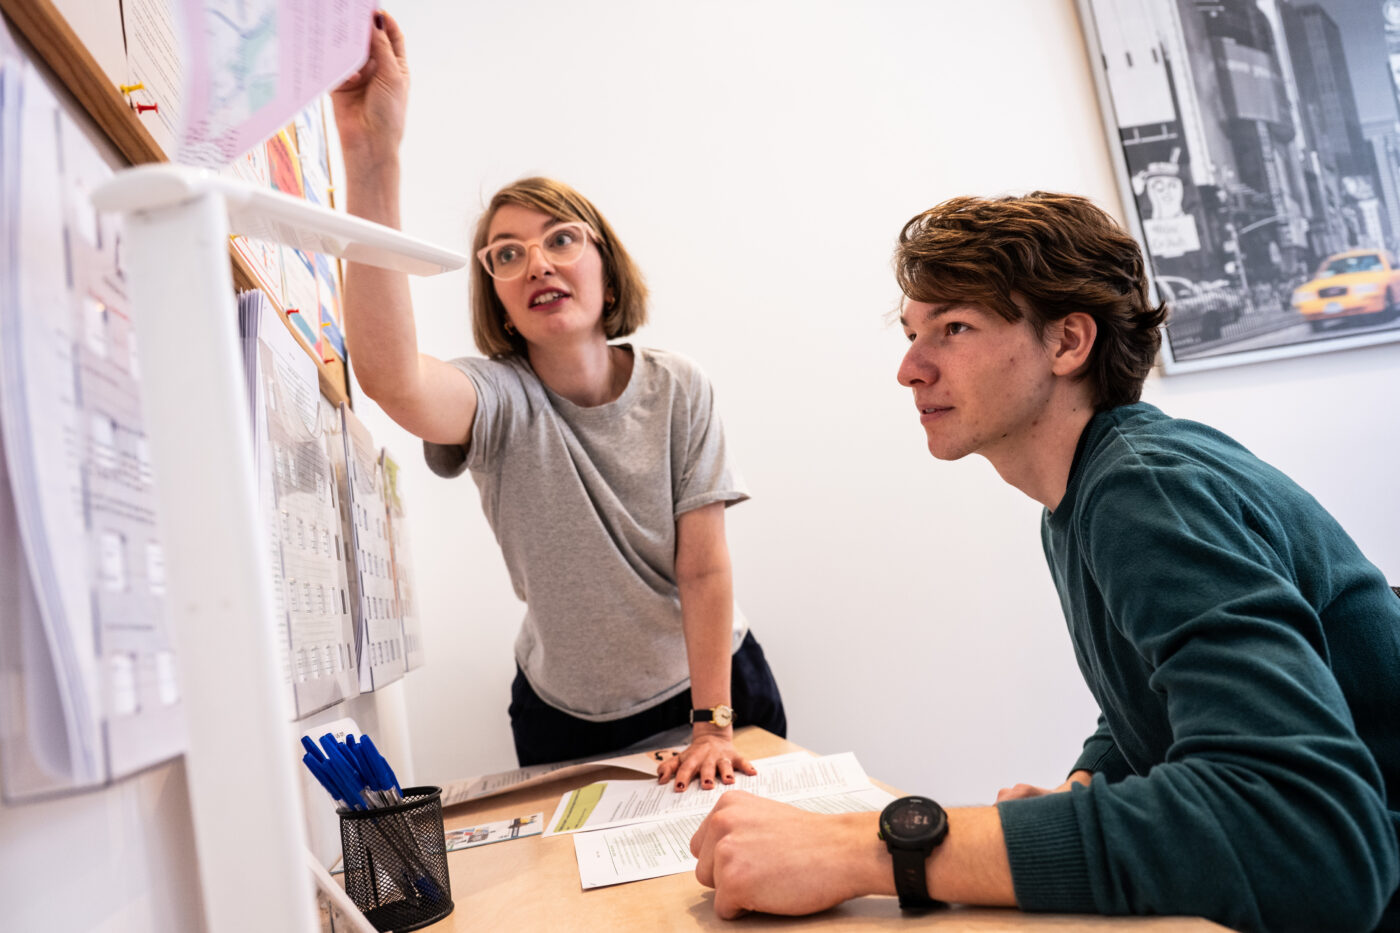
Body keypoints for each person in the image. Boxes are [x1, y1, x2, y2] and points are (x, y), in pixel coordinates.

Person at [690, 192, 1400, 931]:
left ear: (1067, 343)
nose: (909, 369)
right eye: (910, 334)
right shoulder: (1084, 496)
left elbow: (1311, 840)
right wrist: (1091, 777)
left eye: (953, 327)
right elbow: (1158, 684)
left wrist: (876, 847)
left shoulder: (1144, 491)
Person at [329, 11, 785, 790]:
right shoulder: (500, 401)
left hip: (712, 694)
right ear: (500, 300)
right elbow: (393, 379)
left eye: (561, 239)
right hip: (561, 715)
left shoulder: (679, 386)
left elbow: (705, 570)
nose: (537, 262)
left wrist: (713, 724)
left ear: (605, 262)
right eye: (508, 254)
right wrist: (373, 155)